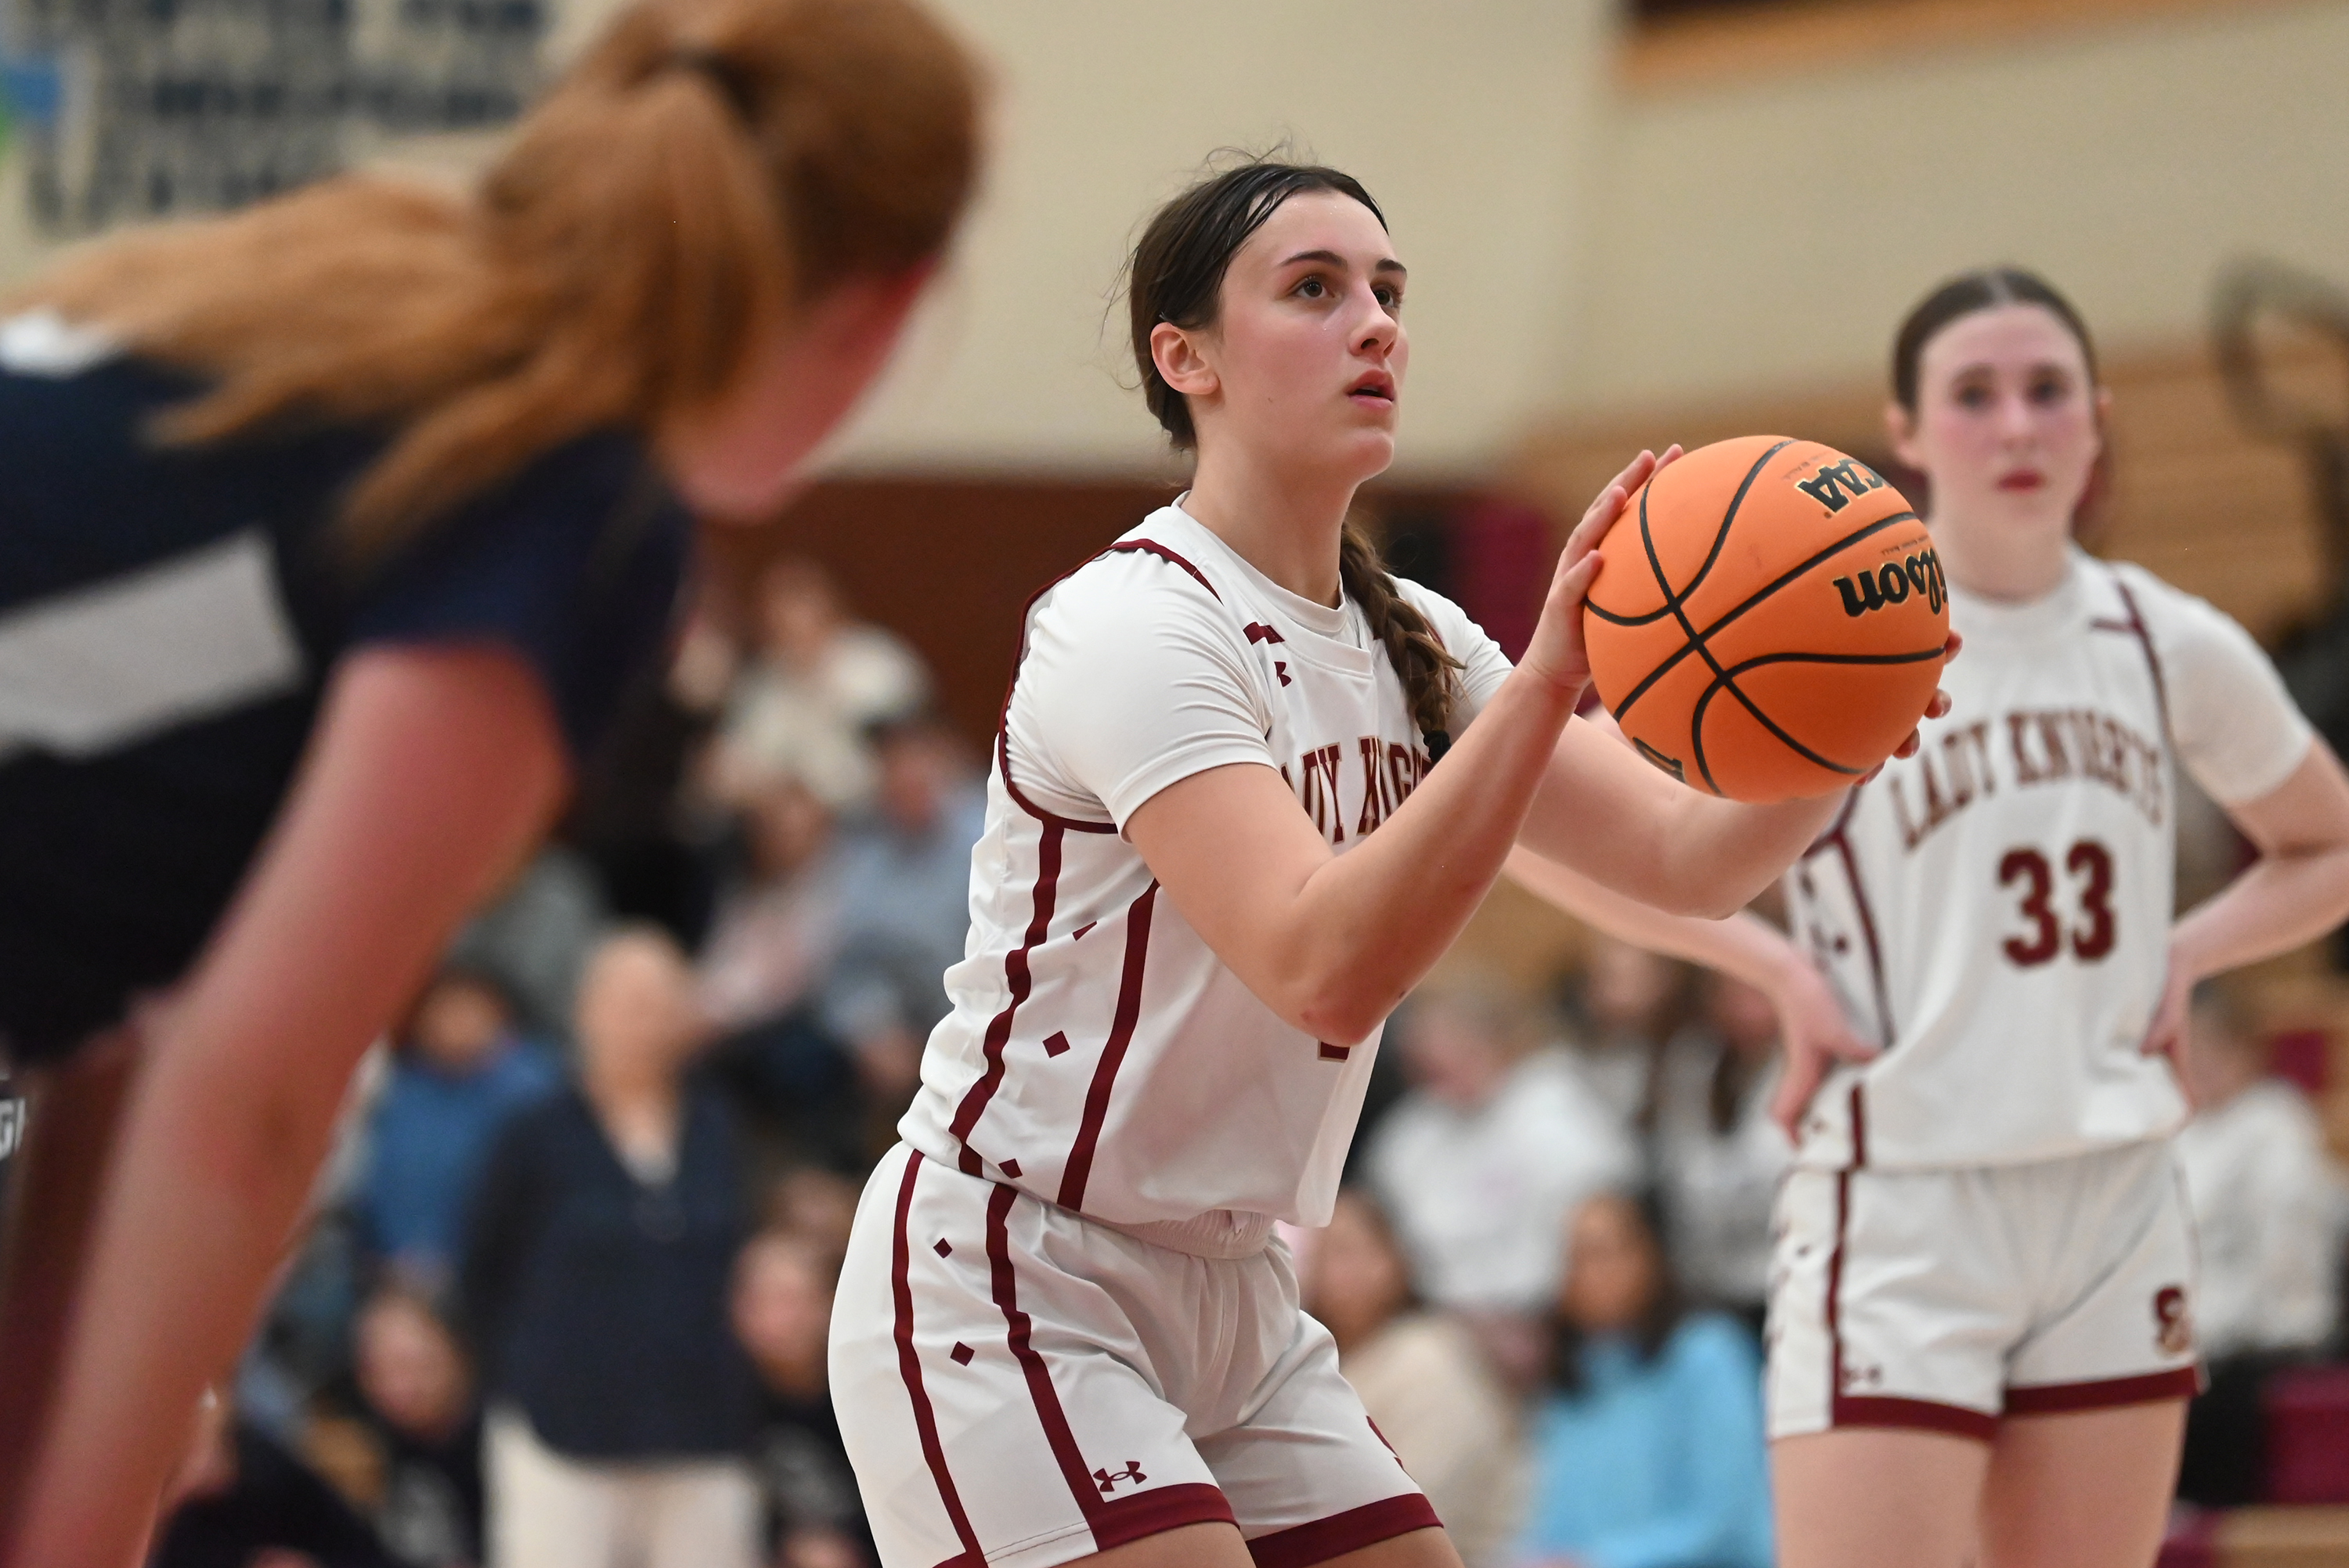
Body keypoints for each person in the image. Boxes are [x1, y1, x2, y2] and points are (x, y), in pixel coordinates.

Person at [825, 157, 1944, 1568]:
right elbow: (1321, 965)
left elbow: (1687, 856)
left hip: (1236, 1283)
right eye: (1315, 290)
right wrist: (1545, 685)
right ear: (1187, 359)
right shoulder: (1129, 627)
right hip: (1016, 1271)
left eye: (1390, 293)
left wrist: (1846, 721)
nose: (1376, 326)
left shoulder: (1413, 632)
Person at [0, 0, 980, 1558]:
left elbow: (127, 1051)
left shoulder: (359, 282)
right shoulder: (563, 492)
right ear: (890, 302)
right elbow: (246, 1097)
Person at [1506, 268, 2349, 1568]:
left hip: (2114, 1189)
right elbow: (1526, 823)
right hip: (1899, 1199)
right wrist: (1772, 965)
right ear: (1907, 432)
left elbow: (2331, 840)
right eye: (1975, 394)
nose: (2016, 423)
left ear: (2096, 420)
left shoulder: (2163, 638)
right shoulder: (1810, 620)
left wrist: (2187, 952)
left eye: (2047, 391)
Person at [461, 928, 763, 1568]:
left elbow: (744, 1257)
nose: (642, 1021)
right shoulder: (534, 1131)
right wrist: (517, 1377)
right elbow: (481, 1271)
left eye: (659, 1001)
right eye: (625, 1001)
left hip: (700, 1425)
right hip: (562, 1427)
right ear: (584, 1010)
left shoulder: (717, 1126)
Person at [1512, 1192, 1773, 1568]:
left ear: (1653, 1255)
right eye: (1575, 1258)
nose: (1590, 1274)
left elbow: (1729, 1521)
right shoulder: (1570, 1378)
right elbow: (1553, 1526)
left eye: (1605, 1252)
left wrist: (1597, 1561)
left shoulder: (1708, 1353)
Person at [2171, 984, 2346, 1505]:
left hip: (2264, 1328)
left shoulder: (2277, 1121)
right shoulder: (2182, 1132)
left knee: (2208, 1392)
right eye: (2189, 1051)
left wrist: (2218, 1328)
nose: (2201, 1064)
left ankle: (2207, 1509)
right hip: (2192, 1322)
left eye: (2213, 1049)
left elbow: (2287, 1253)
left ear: (2245, 1050)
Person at [1364, 982, 1636, 1312]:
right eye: (1430, 1063)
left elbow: (1602, 1210)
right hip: (1444, 1315)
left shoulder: (1551, 1099)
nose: (1448, 1067)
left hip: (1554, 1312)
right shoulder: (1407, 1136)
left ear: (1496, 1040)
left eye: (1462, 1049)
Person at [1298, 1188, 1525, 1568]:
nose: (1330, 1271)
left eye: (1345, 1251)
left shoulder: (1428, 1356)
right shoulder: (1324, 1366)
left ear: (1393, 1259)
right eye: (1318, 1256)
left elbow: (1417, 1512)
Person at [358, 964, 560, 1288]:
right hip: (385, 1277)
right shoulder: (401, 1087)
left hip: (499, 1280)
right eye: (442, 1009)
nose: (454, 1023)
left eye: (468, 1009)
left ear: (499, 1014)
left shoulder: (535, 1091)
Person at [1647, 973, 1790, 1332]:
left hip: (1788, 1277)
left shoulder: (1810, 1058)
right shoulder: (1691, 1063)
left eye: (1755, 992)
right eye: (1729, 992)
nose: (1744, 1009)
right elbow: (1677, 1171)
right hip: (1711, 1288)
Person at [734, 1227, 874, 1568]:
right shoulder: (726, 1397)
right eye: (757, 1300)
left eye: (789, 1300)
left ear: (829, 1305)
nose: (774, 1319)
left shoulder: (870, 1395)